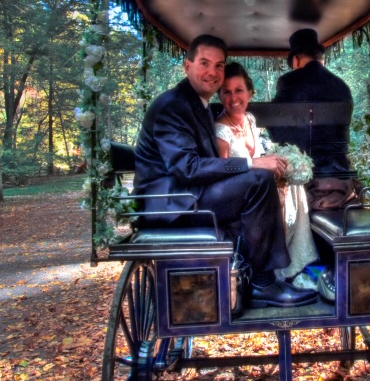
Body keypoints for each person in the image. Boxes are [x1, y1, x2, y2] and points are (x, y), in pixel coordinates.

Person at [133, 34, 316, 308]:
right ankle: (263, 283)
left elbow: (206, 165)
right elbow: (188, 169)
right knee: (258, 179)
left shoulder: (198, 103)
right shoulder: (173, 106)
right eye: (204, 63)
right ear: (187, 66)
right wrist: (251, 163)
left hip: (189, 193)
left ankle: (261, 273)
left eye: (219, 65)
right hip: (172, 205)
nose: (213, 72)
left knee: (260, 180)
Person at [269, 28, 357, 300]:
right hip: (343, 179)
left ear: (296, 59)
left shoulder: (289, 82)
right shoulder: (342, 86)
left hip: (310, 181)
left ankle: (281, 273)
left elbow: (276, 131)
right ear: (320, 56)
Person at [215, 62, 318, 282]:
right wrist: (258, 165)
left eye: (239, 90)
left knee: (295, 186)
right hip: (242, 195)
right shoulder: (220, 131)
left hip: (261, 183)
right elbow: (221, 174)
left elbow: (263, 155)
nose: (233, 98)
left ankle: (292, 263)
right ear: (219, 96)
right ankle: (271, 272)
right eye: (226, 92)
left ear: (250, 93)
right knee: (274, 191)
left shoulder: (251, 121)